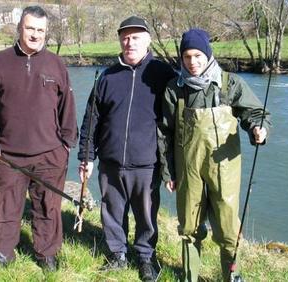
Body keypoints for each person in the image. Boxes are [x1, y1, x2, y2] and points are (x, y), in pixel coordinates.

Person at [158, 28, 271, 282]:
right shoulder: (174, 90)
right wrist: (169, 172)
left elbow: (255, 114)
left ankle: (232, 276)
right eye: (187, 56)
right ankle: (190, 277)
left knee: (229, 229)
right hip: (188, 171)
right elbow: (164, 133)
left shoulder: (230, 84)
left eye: (198, 55)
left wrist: (258, 129)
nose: (192, 62)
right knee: (189, 228)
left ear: (208, 54)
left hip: (225, 170)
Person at [77, 16, 176, 282]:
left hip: (147, 163)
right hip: (110, 162)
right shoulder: (107, 76)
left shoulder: (163, 74)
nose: (129, 42)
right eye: (125, 37)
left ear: (148, 40)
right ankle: (116, 254)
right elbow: (91, 118)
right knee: (111, 211)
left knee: (146, 215)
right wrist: (86, 156)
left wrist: (173, 165)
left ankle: (145, 257)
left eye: (135, 37)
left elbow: (175, 120)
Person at [0, 6, 77, 272]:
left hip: (49, 153)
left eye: (40, 30)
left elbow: (67, 107)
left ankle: (46, 254)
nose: (35, 34)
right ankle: (1, 253)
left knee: (47, 207)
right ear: (20, 28)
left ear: (46, 32)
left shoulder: (56, 64)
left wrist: (66, 144)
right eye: (30, 28)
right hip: (9, 153)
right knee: (5, 206)